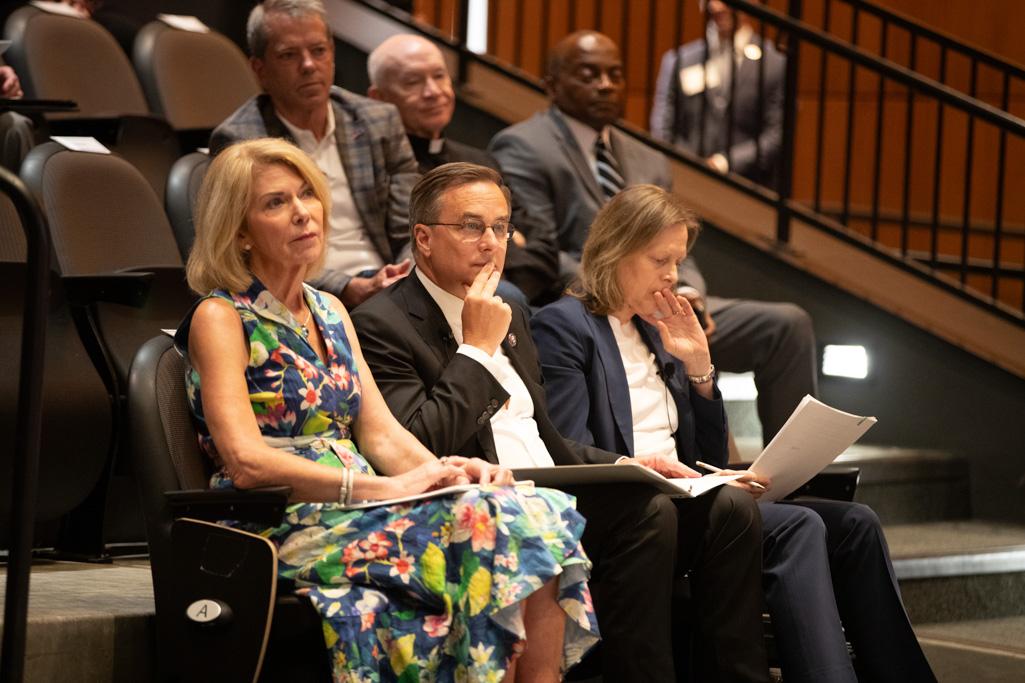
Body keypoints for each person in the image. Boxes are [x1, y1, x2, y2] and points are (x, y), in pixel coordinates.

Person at [174, 138, 601, 681]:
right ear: (238, 230)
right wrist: (381, 489)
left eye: (307, 194)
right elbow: (245, 462)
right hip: (280, 519)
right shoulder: (221, 316)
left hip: (360, 507)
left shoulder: (330, 309)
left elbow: (381, 435)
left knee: (534, 510)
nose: (304, 211)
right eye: (276, 203)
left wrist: (445, 473)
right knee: (495, 526)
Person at [350, 162, 771, 683]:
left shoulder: (512, 312)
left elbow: (548, 437)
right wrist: (476, 351)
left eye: (502, 228)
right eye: (472, 226)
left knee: (723, 506)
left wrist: (627, 463)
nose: (491, 242)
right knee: (649, 512)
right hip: (488, 495)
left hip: (554, 483)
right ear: (423, 239)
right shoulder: (382, 323)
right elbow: (419, 444)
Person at [531, 184, 938, 683]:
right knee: (801, 527)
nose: (673, 276)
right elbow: (568, 446)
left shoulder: (658, 327)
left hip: (690, 496)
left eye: (678, 261)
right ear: (615, 251)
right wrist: (649, 470)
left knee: (856, 522)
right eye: (661, 259)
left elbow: (703, 453)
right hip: (633, 507)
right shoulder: (565, 326)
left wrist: (700, 368)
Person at [489, 29, 815, 444]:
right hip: (592, 304)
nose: (605, 84)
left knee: (786, 325)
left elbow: (676, 239)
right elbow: (542, 255)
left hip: (663, 295)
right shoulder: (523, 146)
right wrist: (627, 289)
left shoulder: (647, 155)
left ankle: (791, 480)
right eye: (589, 74)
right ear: (552, 83)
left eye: (614, 74)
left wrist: (687, 291)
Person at [210, 0, 418, 308]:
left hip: (394, 281)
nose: (308, 65)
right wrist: (348, 287)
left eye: (318, 51)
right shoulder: (242, 143)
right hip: (306, 292)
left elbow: (415, 222)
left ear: (332, 55)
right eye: (289, 55)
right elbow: (252, 254)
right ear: (260, 69)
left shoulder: (378, 121)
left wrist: (405, 274)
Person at [366, 33, 558, 303]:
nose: (433, 91)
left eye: (439, 76)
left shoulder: (480, 160)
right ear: (377, 98)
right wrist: (511, 245)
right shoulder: (383, 171)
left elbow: (544, 249)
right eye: (413, 82)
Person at [650, 0, 785, 187]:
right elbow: (662, 125)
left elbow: (776, 134)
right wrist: (691, 163)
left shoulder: (774, 64)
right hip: (685, 183)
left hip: (747, 186)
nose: (716, 7)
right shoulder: (678, 60)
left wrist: (724, 163)